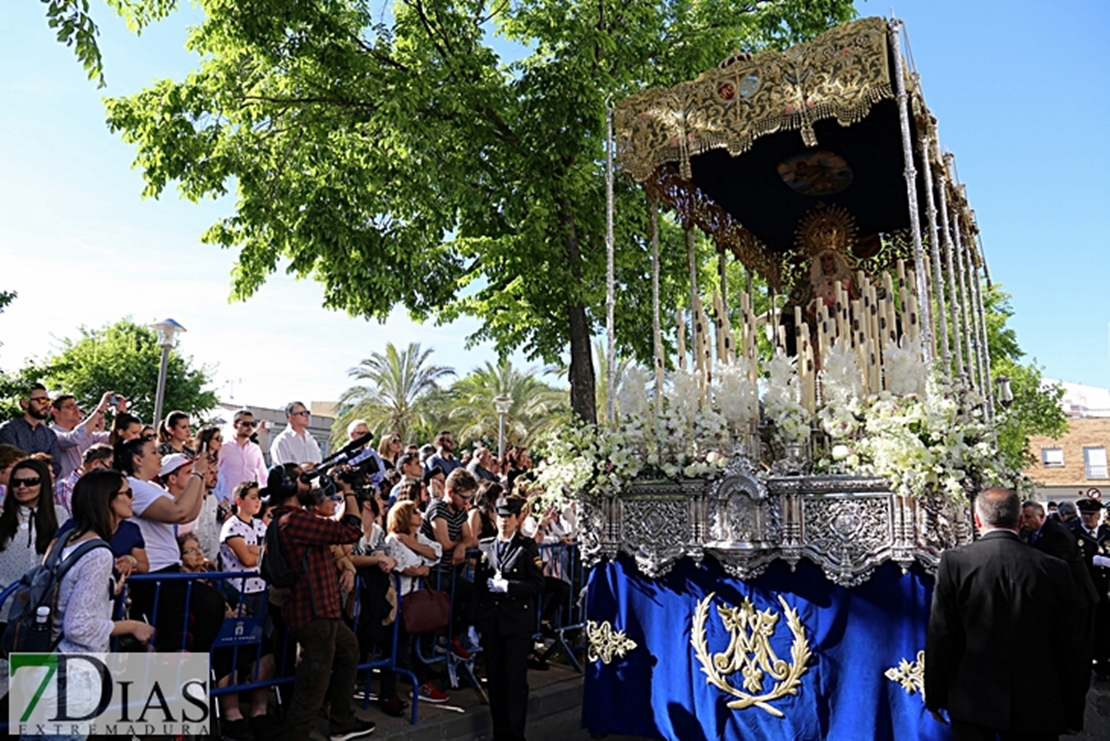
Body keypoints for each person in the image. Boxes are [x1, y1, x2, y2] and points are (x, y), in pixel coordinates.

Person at [925, 488, 1085, 740]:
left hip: (974, 701)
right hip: (1038, 702)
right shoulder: (1055, 568)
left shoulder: (955, 563)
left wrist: (934, 696)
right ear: (1021, 521)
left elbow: (942, 635)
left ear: (977, 521)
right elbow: (1072, 645)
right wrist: (1074, 712)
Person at [272, 475, 376, 741]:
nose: (310, 483)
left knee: (349, 650)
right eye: (302, 478)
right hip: (314, 612)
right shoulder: (294, 520)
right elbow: (351, 531)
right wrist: (349, 491)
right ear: (290, 487)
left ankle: (341, 722)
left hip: (322, 611)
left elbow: (335, 531)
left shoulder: (296, 520)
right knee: (311, 689)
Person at [115, 437, 225, 652]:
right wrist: (196, 474)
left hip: (167, 571)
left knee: (190, 622)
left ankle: (184, 670)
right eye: (153, 453)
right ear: (138, 459)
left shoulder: (152, 486)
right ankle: (179, 671)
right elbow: (178, 513)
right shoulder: (133, 486)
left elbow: (190, 513)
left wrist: (200, 477)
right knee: (205, 607)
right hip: (153, 574)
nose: (159, 456)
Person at [1021, 500, 1099, 729]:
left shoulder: (1057, 535)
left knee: (1076, 661)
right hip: (1066, 605)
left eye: (1027, 517)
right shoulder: (1034, 534)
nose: (1024, 522)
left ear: (1041, 515)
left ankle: (1073, 719)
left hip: (1079, 604)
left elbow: (1054, 568)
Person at [474, 495, 546, 741]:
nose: (504, 522)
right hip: (493, 622)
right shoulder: (487, 546)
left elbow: (537, 584)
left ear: (517, 519)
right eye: (500, 516)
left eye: (509, 517)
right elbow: (479, 585)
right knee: (495, 680)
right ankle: (500, 732)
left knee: (514, 681)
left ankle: (515, 735)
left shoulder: (527, 548)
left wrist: (509, 587)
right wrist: (477, 620)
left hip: (516, 622)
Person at [385, 499, 449, 704]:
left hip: (417, 599)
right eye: (414, 512)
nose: (420, 514)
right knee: (397, 646)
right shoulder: (393, 540)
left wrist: (413, 545)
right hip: (400, 599)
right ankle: (396, 691)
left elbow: (436, 552)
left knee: (410, 644)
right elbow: (404, 567)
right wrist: (421, 567)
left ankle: (417, 683)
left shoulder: (419, 536)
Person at [420, 468, 479, 657]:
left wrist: (461, 546)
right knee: (437, 612)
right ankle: (431, 649)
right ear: (451, 492)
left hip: (449, 572)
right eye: (464, 497)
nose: (467, 502)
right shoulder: (438, 509)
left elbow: (470, 538)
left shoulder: (460, 511)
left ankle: (451, 637)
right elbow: (443, 543)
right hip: (433, 573)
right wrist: (460, 544)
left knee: (474, 596)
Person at [0, 457, 65, 590]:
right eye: (16, 483)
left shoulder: (59, 514)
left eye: (31, 482)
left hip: (41, 599)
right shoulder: (3, 514)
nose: (22, 487)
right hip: (4, 599)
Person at [1070, 498, 1110, 680]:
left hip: (1106, 589)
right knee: (1087, 629)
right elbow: (1068, 561)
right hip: (1085, 589)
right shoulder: (1072, 533)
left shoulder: (1106, 533)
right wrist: (1090, 561)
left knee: (1105, 628)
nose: (1088, 518)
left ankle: (1103, 664)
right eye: (1085, 515)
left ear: (1099, 515)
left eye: (1092, 515)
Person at [219, 480, 268, 617]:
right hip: (240, 589)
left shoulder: (260, 525)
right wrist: (262, 552)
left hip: (262, 587)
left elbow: (272, 552)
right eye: (253, 498)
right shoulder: (231, 526)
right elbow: (246, 559)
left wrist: (254, 549)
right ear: (239, 501)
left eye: (259, 498)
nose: (258, 501)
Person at [49, 391, 118, 480]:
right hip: (66, 491)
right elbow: (73, 439)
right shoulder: (50, 433)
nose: (76, 409)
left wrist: (121, 414)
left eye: (76, 406)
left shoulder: (88, 434)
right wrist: (100, 409)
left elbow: (114, 439)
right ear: (55, 412)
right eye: (70, 406)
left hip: (87, 488)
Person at [0, 383, 62, 477]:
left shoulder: (50, 434)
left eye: (48, 401)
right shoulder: (8, 430)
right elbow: (11, 464)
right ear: (25, 403)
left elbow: (56, 466)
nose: (46, 405)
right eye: (41, 400)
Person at [54, 443, 114, 521]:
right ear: (95, 464)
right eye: (109, 465)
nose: (110, 472)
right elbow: (69, 524)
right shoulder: (66, 487)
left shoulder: (97, 488)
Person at [220, 409, 269, 495]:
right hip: (228, 501)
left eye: (253, 424)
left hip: (249, 502)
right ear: (235, 425)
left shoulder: (256, 449)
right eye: (246, 424)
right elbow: (214, 473)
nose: (250, 427)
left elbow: (263, 476)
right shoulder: (223, 448)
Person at [270, 401, 323, 467]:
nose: (307, 416)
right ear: (291, 417)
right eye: (303, 413)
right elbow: (284, 471)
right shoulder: (282, 441)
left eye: (307, 413)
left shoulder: (312, 440)